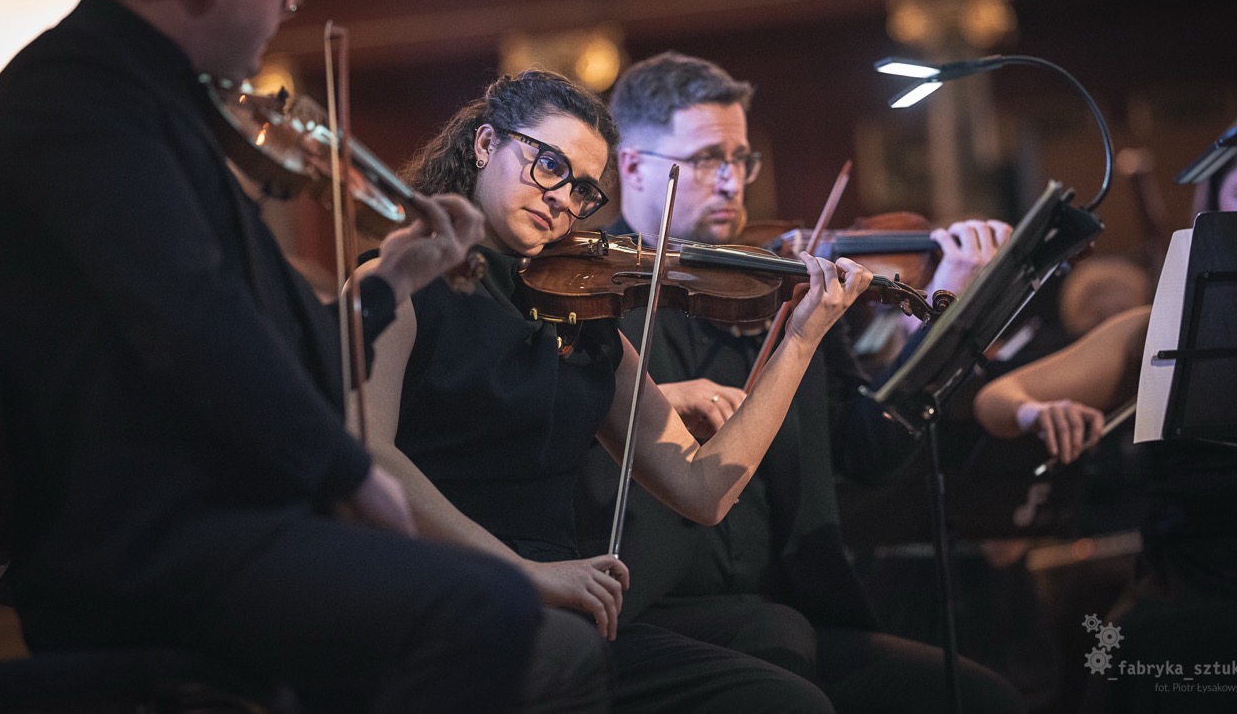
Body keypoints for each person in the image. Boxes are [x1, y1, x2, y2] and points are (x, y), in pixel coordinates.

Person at [0, 0, 597, 711]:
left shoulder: (162, 102)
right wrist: (349, 472)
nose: (291, 3)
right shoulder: (75, 94)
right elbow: (194, 321)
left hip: (218, 516)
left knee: (500, 618)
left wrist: (392, 280)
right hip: (139, 537)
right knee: (485, 606)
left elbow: (274, 335)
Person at [353, 67, 875, 713]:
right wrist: (528, 574)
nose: (561, 199)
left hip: (565, 604)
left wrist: (799, 340)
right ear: (486, 144)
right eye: (548, 165)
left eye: (581, 189)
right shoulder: (396, 283)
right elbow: (368, 455)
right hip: (446, 594)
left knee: (785, 701)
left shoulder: (583, 318)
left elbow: (703, 489)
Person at [573, 50, 1027, 712]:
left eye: (742, 159)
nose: (731, 181)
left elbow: (868, 450)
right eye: (707, 159)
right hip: (655, 613)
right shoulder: (588, 296)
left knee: (984, 699)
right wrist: (663, 400)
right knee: (780, 650)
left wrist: (945, 316)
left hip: (791, 603)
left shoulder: (787, 285)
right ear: (636, 166)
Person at [973, 130, 1237, 711]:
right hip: (1192, 595)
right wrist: (1037, 411)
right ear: (1212, 207)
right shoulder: (1153, 328)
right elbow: (997, 399)